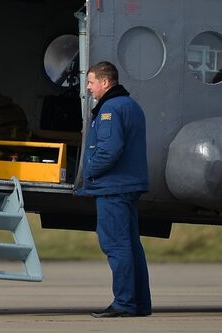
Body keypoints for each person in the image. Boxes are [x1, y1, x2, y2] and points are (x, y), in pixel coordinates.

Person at [75, 61, 151, 318]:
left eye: (91, 82)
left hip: (113, 187)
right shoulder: (132, 105)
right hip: (129, 185)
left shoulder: (110, 108)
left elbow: (109, 149)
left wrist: (88, 172)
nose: (88, 88)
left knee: (116, 245)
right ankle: (139, 303)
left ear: (105, 82)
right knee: (131, 245)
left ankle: (124, 304)